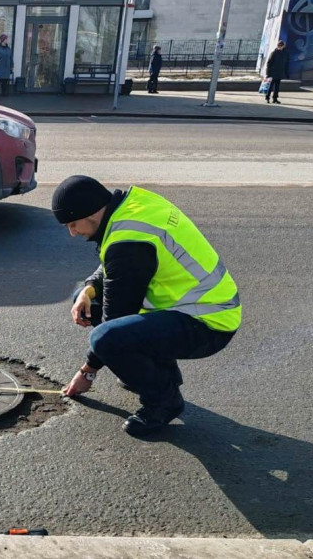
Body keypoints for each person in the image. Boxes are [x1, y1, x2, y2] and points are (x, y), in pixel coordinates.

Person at [53, 175, 241, 436]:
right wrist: (88, 287)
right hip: (187, 304)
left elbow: (115, 319)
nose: (72, 233)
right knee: (85, 301)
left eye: (73, 224)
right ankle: (159, 374)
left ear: (92, 213)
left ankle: (164, 402)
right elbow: (114, 264)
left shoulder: (128, 242)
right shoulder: (133, 205)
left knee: (107, 339)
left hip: (209, 322)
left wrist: (88, 372)